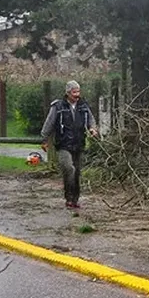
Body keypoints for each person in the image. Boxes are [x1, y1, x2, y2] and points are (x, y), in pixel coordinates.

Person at [40, 80, 98, 209]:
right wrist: (44, 139)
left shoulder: (83, 106)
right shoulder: (58, 107)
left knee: (77, 172)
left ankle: (75, 200)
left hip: (78, 144)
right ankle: (68, 197)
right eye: (74, 92)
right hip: (63, 144)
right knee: (69, 169)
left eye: (78, 91)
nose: (77, 94)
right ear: (68, 93)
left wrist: (93, 129)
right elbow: (49, 123)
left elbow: (91, 120)